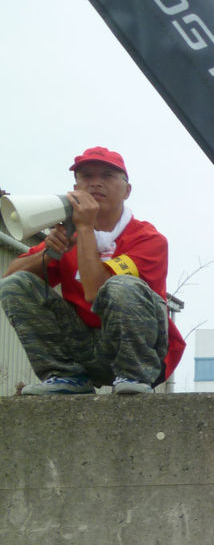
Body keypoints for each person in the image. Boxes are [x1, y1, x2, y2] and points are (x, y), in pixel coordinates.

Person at [0, 147, 184, 395]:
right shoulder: (71, 234)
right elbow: (10, 280)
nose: (95, 183)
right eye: (86, 176)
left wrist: (85, 228)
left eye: (107, 175)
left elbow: (96, 293)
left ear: (127, 190)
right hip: (85, 348)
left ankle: (134, 375)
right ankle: (65, 375)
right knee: (16, 284)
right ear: (75, 188)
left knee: (121, 286)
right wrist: (52, 252)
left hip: (143, 352)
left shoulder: (148, 239)